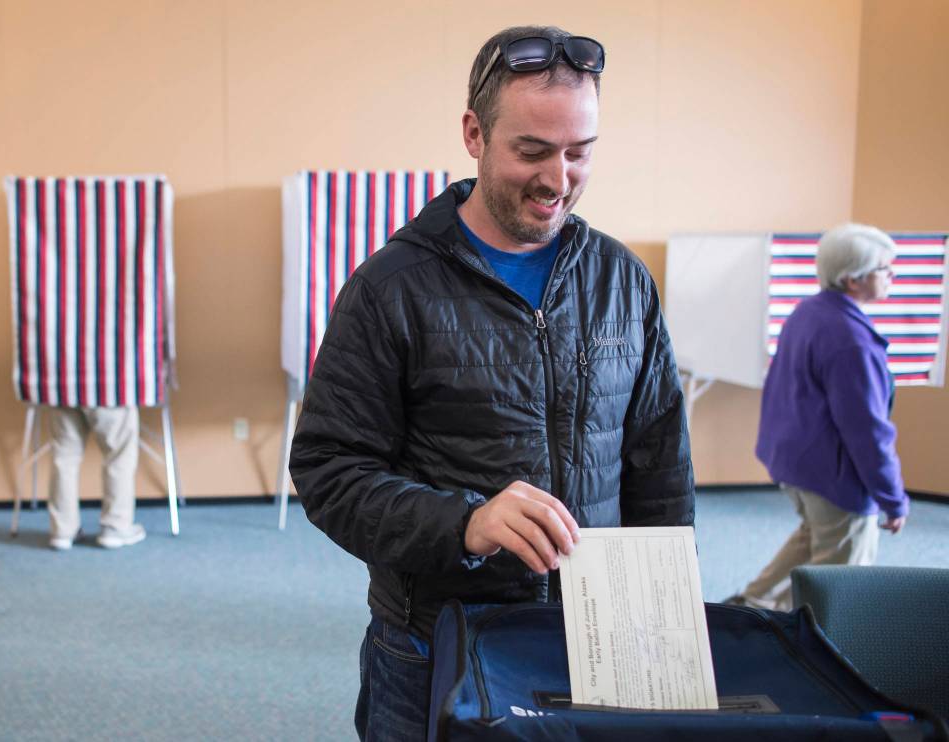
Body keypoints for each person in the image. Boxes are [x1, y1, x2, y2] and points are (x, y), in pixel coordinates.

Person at [289, 25, 694, 740]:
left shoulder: (623, 282)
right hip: (432, 645)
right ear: (474, 134)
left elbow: (660, 471)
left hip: (595, 645)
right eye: (532, 151)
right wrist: (466, 523)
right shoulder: (391, 289)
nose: (558, 178)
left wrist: (665, 623)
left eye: (580, 153)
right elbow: (328, 472)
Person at [727, 223, 908, 611]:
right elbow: (869, 433)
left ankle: (749, 604)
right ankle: (787, 632)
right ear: (852, 279)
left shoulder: (809, 312)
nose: (893, 275)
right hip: (835, 477)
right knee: (840, 580)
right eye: (884, 269)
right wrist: (893, 499)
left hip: (797, 466)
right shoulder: (852, 341)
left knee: (814, 537)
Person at [47, 407, 146, 551]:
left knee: (64, 458)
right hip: (111, 391)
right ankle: (115, 526)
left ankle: (62, 531)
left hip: (63, 390)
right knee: (118, 455)